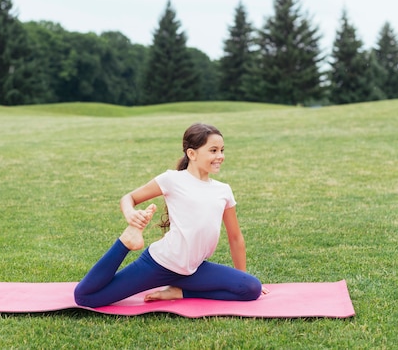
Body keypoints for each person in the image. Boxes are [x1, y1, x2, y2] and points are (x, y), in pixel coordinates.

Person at [74, 123, 267, 308]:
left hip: (194, 270)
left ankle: (179, 292)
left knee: (251, 288)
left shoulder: (223, 190)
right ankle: (125, 242)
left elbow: (235, 238)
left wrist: (243, 277)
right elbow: (129, 198)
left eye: (222, 150)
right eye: (213, 150)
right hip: (159, 264)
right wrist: (130, 213)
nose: (220, 156)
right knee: (86, 297)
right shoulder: (172, 180)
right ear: (192, 154)